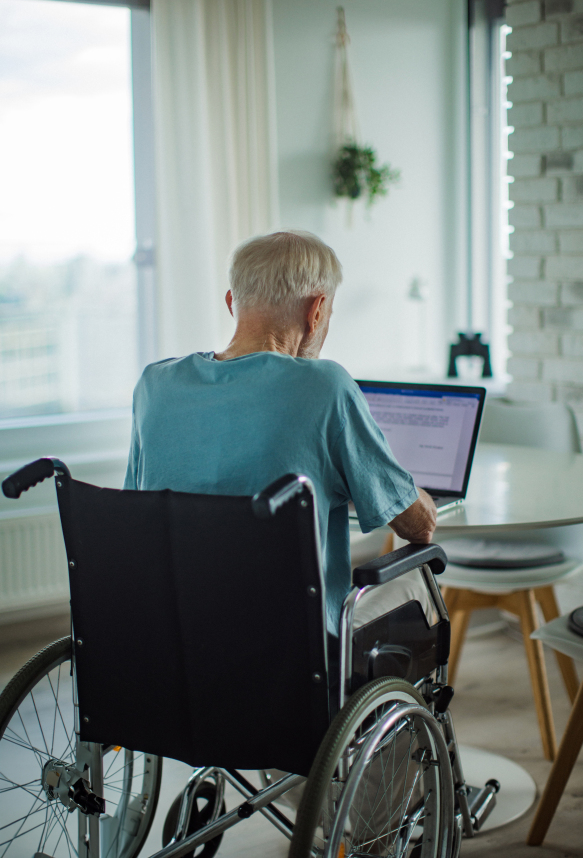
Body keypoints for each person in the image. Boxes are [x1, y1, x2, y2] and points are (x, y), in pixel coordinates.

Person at [124, 230, 436, 633]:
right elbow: (419, 527)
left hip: (170, 632)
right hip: (287, 643)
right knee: (420, 595)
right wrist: (404, 493)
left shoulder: (154, 384)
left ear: (232, 302)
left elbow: (135, 510)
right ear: (317, 310)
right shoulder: (325, 386)